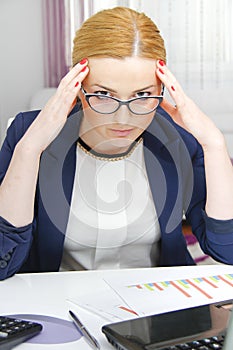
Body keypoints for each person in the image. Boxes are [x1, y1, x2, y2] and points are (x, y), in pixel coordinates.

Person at [0, 7, 233, 280]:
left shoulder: (177, 136)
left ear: (162, 90)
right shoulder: (28, 133)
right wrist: (29, 150)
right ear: (76, 86)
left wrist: (215, 144)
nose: (124, 118)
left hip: (158, 310)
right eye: (102, 94)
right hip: (59, 307)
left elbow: (225, 251)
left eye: (143, 95)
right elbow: (4, 263)